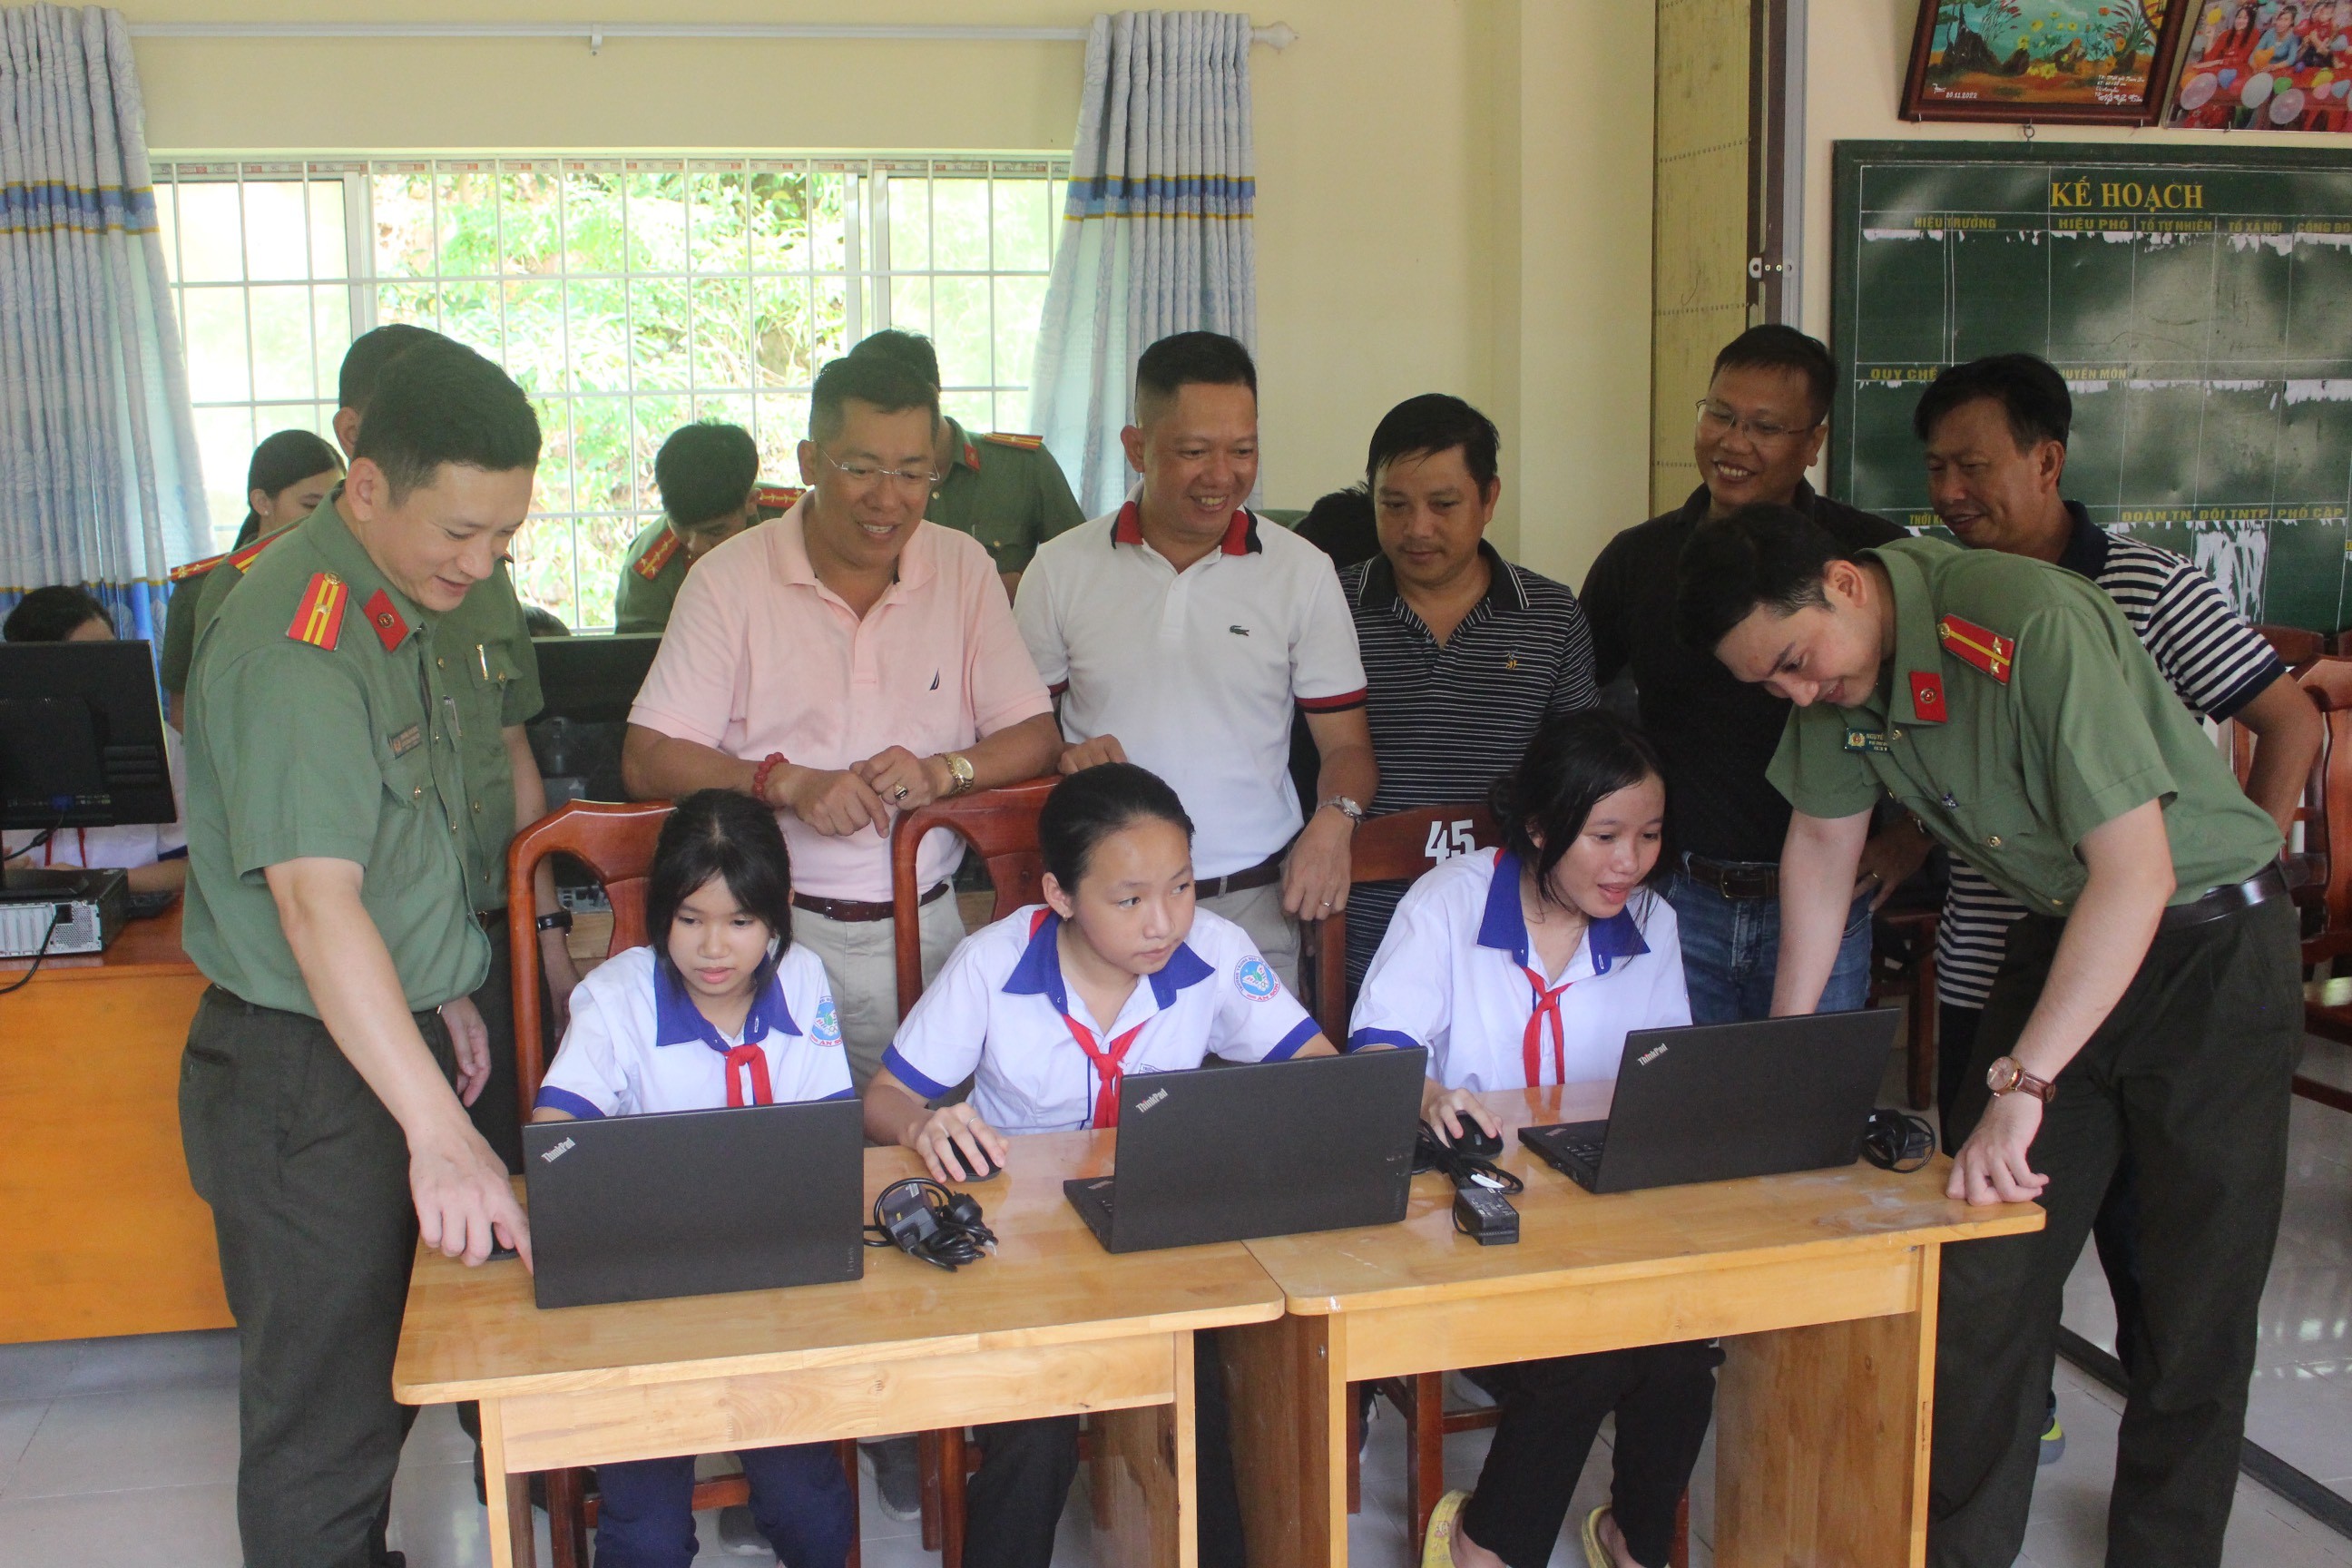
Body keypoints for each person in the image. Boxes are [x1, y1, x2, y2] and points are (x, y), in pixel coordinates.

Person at [1679, 504, 2300, 1568]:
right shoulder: (1837, 673)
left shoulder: (2023, 624)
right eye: (1768, 685)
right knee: (1979, 1277)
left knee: (2194, 1301)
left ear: (1846, 582)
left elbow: (2137, 875)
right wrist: (1787, 1051)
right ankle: (1958, 1552)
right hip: (2059, 938)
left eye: (1793, 662)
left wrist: (2025, 1083)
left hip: (2207, 952)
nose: (1795, 694)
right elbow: (1824, 852)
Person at [1913, 352, 2322, 1465]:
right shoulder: (1938, 598)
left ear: (2047, 461)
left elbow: (2292, 722)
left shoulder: (2148, 584)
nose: (1951, 492)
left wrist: (2240, 877)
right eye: (1936, 468)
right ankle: (2001, 1454)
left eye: (1975, 465)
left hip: (2169, 964)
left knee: (2172, 1269)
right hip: (2000, 966)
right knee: (1995, 1257)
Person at [176, 342, 539, 1568]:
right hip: (304, 1081)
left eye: (503, 539)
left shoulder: (397, 601)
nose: (482, 566)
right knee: (330, 1423)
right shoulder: (299, 637)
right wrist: (439, 1130)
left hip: (382, 1040)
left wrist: (443, 988)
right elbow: (318, 908)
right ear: (368, 481)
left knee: (395, 1380)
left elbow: (411, 834)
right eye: (462, 532)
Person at [868, 762, 1330, 1568]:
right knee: (1036, 1422)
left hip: (1162, 1228)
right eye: (1129, 899)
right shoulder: (992, 964)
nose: (1163, 922)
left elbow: (1321, 1070)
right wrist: (926, 1123)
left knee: (1216, 1391)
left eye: (1181, 887)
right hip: (1029, 1248)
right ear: (1058, 896)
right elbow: (885, 1097)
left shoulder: (1214, 950)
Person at [622, 349, 1061, 1089]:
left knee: (936, 1157)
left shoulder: (962, 569)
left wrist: (943, 771)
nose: (888, 500)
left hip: (932, 928)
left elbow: (1034, 736)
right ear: (809, 461)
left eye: (912, 473)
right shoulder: (727, 578)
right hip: (774, 934)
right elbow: (647, 758)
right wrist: (782, 783)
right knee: (790, 1168)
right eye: (861, 468)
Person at [1348, 711, 1710, 1568]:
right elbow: (1381, 1049)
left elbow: (1669, 1072)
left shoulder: (1650, 923)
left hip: (1594, 1210)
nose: (1630, 862)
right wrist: (1432, 1092)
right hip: (1465, 1212)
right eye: (1606, 836)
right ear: (1541, 828)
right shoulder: (1451, 901)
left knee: (1682, 1351)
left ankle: (1633, 1536)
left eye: (1649, 836)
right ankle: (1486, 1546)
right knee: (1589, 1356)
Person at [531, 789, 856, 1568]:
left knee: (809, 1505)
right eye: (690, 920)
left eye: (741, 922)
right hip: (647, 1301)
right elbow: (554, 1143)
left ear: (776, 922)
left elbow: (830, 1141)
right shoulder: (615, 998)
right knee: (642, 1533)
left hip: (773, 1290)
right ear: (658, 917)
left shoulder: (802, 979)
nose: (715, 949)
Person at [1015, 330, 1377, 994]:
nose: (1222, 476)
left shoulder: (1302, 572)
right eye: (1193, 452)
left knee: (1254, 1096)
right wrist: (1062, 756)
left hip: (1253, 903)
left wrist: (1336, 819)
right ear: (1136, 448)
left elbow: (1347, 745)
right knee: (1107, 1093)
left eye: (1243, 450)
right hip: (1104, 911)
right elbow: (1019, 733)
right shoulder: (1061, 569)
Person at [1579, 326, 1919, 1024]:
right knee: (1676, 1104)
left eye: (1764, 426)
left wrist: (1912, 835)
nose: (1733, 443)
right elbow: (1580, 708)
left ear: (1814, 442)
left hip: (1832, 896)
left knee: (1804, 1107)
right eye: (1720, 415)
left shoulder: (1869, 560)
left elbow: (1956, 717)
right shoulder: (1638, 561)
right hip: (1680, 893)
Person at [1338, 394, 1597, 985]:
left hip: (1509, 919)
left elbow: (1582, 774)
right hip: (1365, 923)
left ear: (1489, 499)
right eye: (1394, 505)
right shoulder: (1328, 605)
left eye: (1443, 505)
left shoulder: (1552, 615)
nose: (1416, 529)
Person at [848, 328, 1087, 599]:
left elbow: (1085, 567)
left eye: (892, 409)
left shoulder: (1023, 467)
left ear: (931, 395)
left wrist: (1025, 589)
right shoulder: (854, 482)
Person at [1, 586, 188, 894]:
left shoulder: (161, 741)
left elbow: (190, 870)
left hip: (135, 925)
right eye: (86, 659)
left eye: (109, 653)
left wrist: (94, 880)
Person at [158, 426, 344, 721]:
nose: (325, 518)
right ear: (262, 502)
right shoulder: (203, 589)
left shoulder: (343, 580)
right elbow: (184, 710)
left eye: (334, 505)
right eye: (310, 505)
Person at [615, 420, 763, 634]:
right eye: (681, 527)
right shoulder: (648, 569)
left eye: (715, 531)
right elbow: (640, 659)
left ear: (751, 502)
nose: (696, 545)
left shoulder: (795, 523)